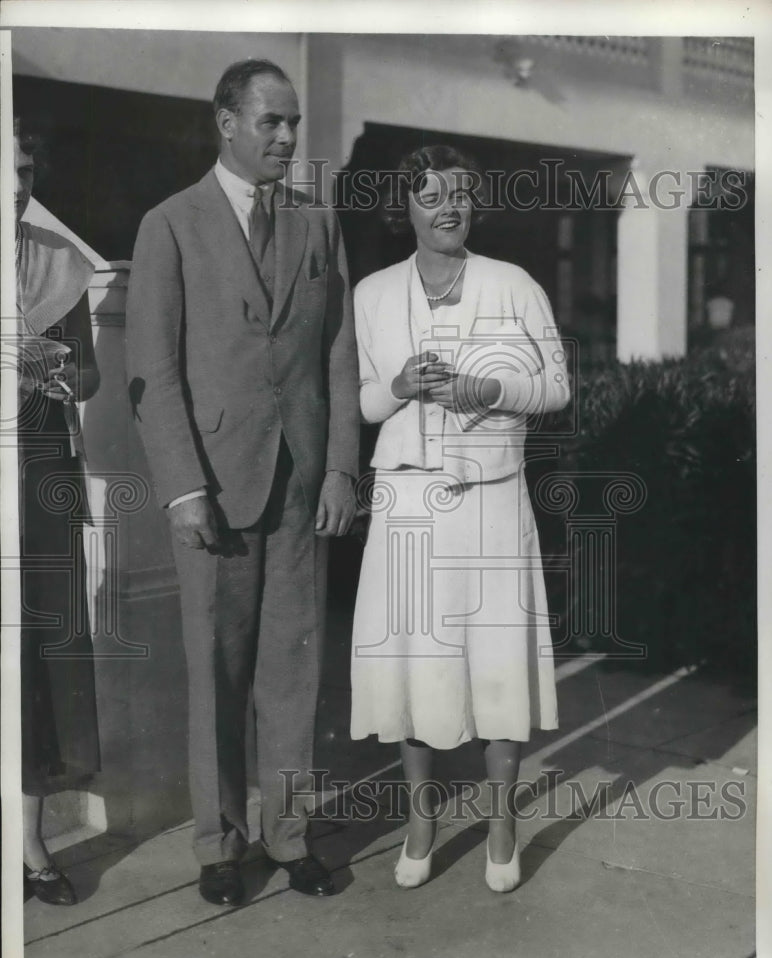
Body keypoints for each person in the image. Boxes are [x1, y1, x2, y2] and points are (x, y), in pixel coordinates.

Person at [125, 59, 359, 906]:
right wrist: (183, 489)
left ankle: (290, 835)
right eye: (272, 123)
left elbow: (338, 353)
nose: (289, 139)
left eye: (293, 123)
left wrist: (339, 465)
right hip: (217, 489)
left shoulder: (318, 225)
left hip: (299, 483)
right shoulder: (171, 225)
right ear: (226, 121)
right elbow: (151, 367)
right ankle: (218, 845)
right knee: (217, 673)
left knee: (294, 672)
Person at [350, 145, 570, 892]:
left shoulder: (512, 283)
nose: (450, 207)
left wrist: (481, 386)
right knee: (414, 658)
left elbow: (556, 387)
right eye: (432, 195)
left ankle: (503, 823)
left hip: (492, 494)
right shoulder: (373, 294)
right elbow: (362, 402)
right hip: (406, 497)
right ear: (402, 209)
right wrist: (401, 385)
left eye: (462, 195)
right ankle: (422, 819)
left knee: (497, 658)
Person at [14, 117, 101, 906]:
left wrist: (60, 378)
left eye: (28, 171)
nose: (16, 188)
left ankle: (32, 842)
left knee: (38, 651)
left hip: (39, 473)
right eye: (3, 170)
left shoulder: (59, 267)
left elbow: (93, 380)